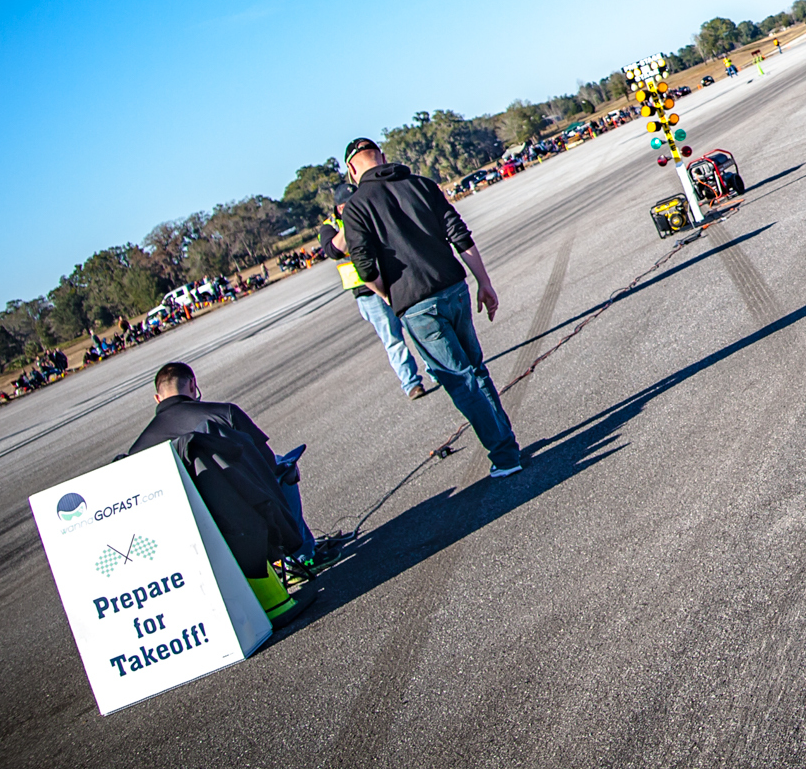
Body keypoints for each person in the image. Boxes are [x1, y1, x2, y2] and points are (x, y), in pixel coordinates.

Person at [336, 137, 523, 478]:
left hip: (416, 305)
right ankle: (506, 442)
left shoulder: (356, 207)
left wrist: (392, 298)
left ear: (351, 168)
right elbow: (460, 235)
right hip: (455, 288)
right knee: (476, 370)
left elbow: (365, 270)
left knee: (460, 381)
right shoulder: (421, 184)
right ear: (382, 157)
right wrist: (484, 282)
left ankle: (506, 455)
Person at [129, 363, 332, 623]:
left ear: (157, 399)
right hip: (245, 521)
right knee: (285, 466)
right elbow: (268, 466)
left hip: (186, 532)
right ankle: (299, 556)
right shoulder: (223, 413)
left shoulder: (138, 451)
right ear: (193, 385)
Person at [324, 198, 431, 401]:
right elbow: (334, 251)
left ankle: (437, 370)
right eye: (344, 206)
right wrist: (350, 221)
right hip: (367, 292)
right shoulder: (330, 227)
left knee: (418, 326)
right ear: (338, 208)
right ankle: (412, 384)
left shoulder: (370, 211)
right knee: (393, 339)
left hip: (393, 280)